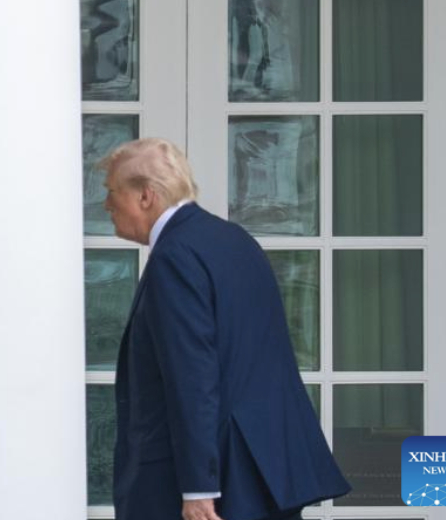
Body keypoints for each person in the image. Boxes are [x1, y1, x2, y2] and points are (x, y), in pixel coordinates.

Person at [101, 138, 350, 520]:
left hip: (214, 480)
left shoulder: (175, 255)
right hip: (264, 468)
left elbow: (192, 374)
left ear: (146, 196)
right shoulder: (233, 239)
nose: (106, 204)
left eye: (112, 191)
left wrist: (199, 489)